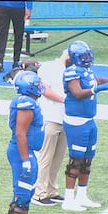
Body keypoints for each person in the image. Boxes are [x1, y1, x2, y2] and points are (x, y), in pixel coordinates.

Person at [61, 41, 108, 211]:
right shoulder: (71, 71)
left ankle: (82, 195)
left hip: (89, 120)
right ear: (75, 57)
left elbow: (94, 80)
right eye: (84, 56)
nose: (87, 58)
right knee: (76, 159)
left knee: (87, 159)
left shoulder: (85, 70)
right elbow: (77, 93)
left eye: (88, 55)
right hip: (76, 120)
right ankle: (68, 199)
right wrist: (98, 89)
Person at [6, 69, 45, 214]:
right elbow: (20, 133)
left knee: (27, 192)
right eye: (36, 85)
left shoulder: (29, 101)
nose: (40, 87)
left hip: (27, 151)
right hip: (22, 152)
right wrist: (26, 160)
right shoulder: (26, 104)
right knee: (21, 194)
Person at [29, 56, 68, 206]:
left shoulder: (70, 69)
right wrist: (65, 99)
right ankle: (39, 193)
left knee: (57, 158)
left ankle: (52, 190)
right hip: (50, 117)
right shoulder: (49, 67)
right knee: (45, 158)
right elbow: (44, 90)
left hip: (64, 118)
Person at [0, 0, 32, 75]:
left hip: (18, 6)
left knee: (18, 35)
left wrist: (29, 7)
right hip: (2, 4)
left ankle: (16, 62)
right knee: (0, 35)